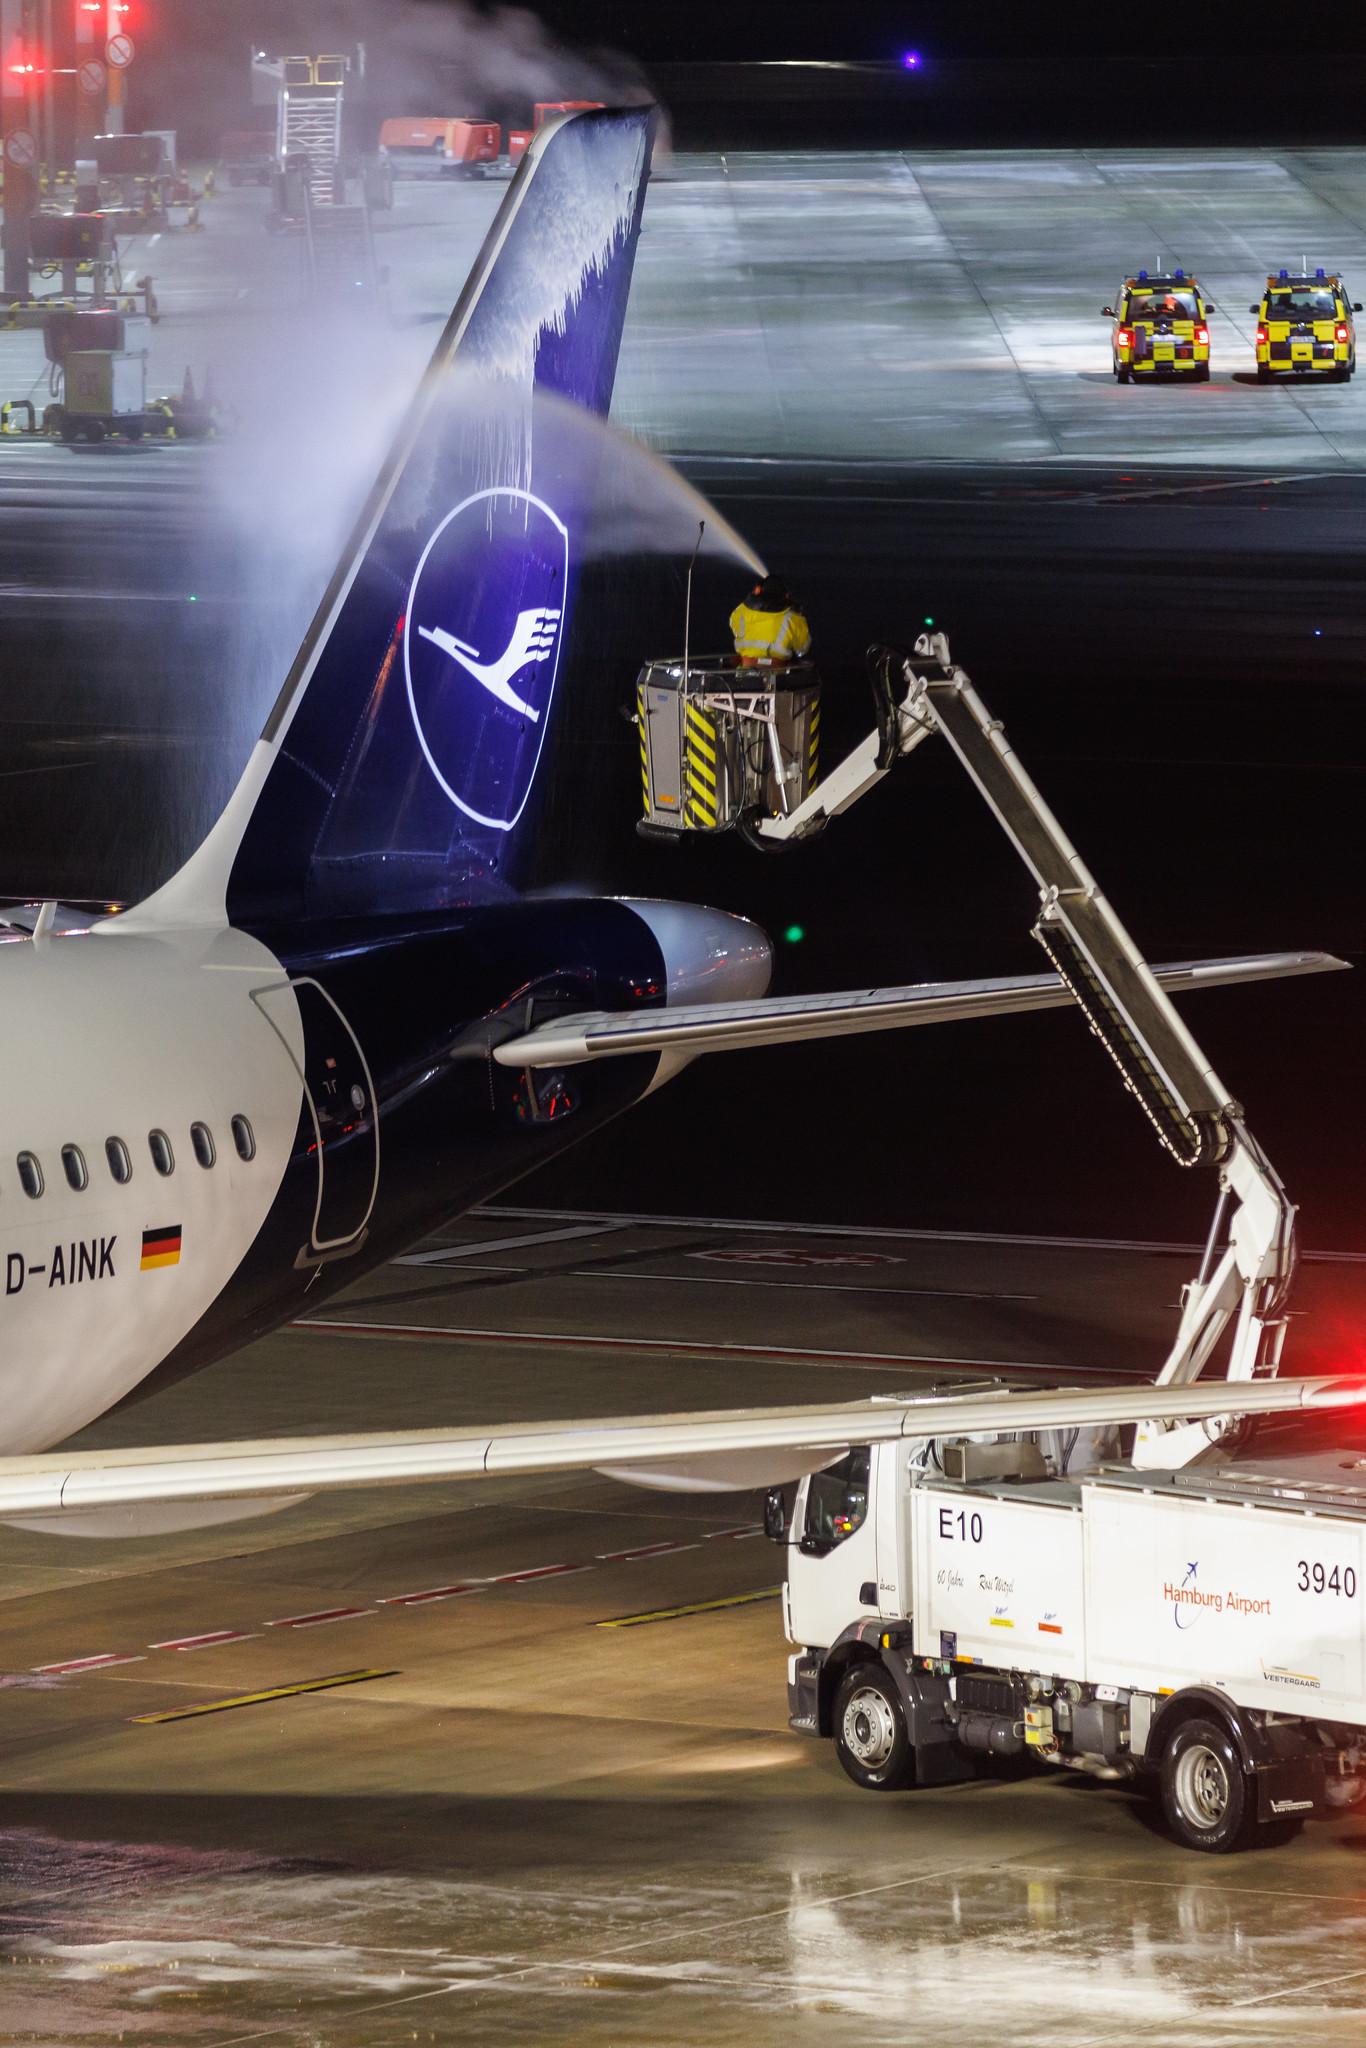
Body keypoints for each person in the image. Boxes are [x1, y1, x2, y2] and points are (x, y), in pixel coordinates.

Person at [729, 575, 811, 667]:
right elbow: (802, 649)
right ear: (786, 595)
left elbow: (734, 625)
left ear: (758, 590)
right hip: (778, 673)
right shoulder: (793, 618)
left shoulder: (741, 611)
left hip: (745, 671)